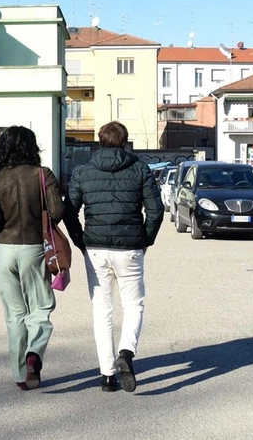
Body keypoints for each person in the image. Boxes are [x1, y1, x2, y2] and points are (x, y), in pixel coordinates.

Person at [65, 121, 164, 393]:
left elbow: (68, 211)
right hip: (130, 247)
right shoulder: (140, 169)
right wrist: (146, 240)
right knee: (133, 305)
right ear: (125, 141)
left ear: (100, 141)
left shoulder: (83, 171)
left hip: (95, 247)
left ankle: (107, 375)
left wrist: (81, 241)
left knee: (102, 310)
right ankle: (127, 353)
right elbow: (156, 210)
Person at [0, 125, 68, 391]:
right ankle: (34, 353)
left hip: (5, 249)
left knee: (14, 313)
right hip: (34, 248)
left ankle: (21, 374)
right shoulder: (43, 175)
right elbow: (56, 212)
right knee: (40, 308)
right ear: (32, 147)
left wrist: (5, 228)